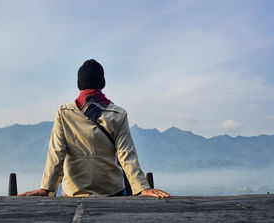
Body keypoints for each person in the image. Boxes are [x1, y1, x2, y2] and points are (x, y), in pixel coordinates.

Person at [19, 59, 170, 198]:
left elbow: (56, 152)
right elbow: (126, 154)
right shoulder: (118, 114)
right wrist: (142, 188)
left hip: (74, 191)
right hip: (111, 191)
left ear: (79, 85)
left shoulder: (64, 113)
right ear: (102, 83)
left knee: (60, 191)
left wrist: (45, 189)